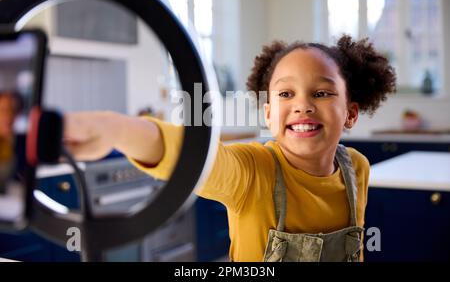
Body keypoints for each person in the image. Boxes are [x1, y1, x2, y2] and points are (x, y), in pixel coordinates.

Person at [63, 35, 396, 262]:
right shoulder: (253, 171)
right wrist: (116, 128)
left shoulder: (356, 167)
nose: (302, 105)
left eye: (321, 93)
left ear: (351, 113)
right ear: (268, 113)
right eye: (285, 94)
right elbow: (193, 155)